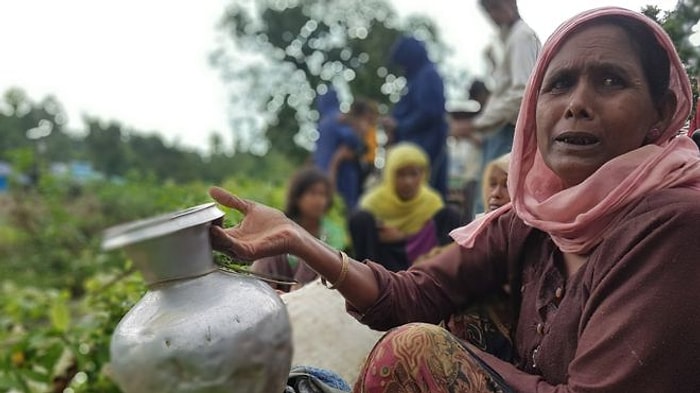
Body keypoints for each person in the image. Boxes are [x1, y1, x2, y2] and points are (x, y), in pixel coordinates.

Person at [208, 7, 700, 392]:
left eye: (611, 80)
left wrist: (444, 356)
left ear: (659, 112)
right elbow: (412, 294)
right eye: (559, 84)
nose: (576, 104)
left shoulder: (674, 223)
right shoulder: (531, 220)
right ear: (535, 107)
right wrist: (299, 240)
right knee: (461, 308)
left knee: (416, 350)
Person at [451, 0, 541, 215]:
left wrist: (475, 125)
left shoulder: (521, 37)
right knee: (489, 201)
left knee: (495, 204)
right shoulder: (509, 39)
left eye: (495, 8)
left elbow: (521, 94)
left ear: (510, 3)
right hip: (499, 131)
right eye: (489, 11)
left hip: (507, 130)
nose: (493, 16)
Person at [348, 143, 461, 272]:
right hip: (382, 265)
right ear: (390, 174)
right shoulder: (373, 202)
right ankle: (366, 278)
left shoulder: (432, 202)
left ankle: (444, 278)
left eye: (414, 174)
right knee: (360, 218)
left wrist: (403, 237)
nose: (408, 181)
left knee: (451, 214)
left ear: (423, 174)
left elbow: (432, 240)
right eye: (401, 175)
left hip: (422, 263)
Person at [249, 167, 346, 292]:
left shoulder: (333, 232)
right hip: (277, 284)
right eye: (312, 193)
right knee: (270, 249)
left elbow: (333, 269)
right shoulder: (282, 225)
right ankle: (262, 292)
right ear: (297, 197)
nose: (319, 200)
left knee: (314, 251)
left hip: (314, 290)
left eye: (323, 194)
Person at [380, 35, 449, 199]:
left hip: (426, 149)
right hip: (416, 148)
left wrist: (399, 125)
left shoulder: (427, 76)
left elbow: (430, 113)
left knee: (423, 200)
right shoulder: (416, 78)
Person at [313, 89, 372, 212]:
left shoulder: (323, 123)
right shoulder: (341, 122)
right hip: (341, 180)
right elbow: (354, 145)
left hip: (320, 177)